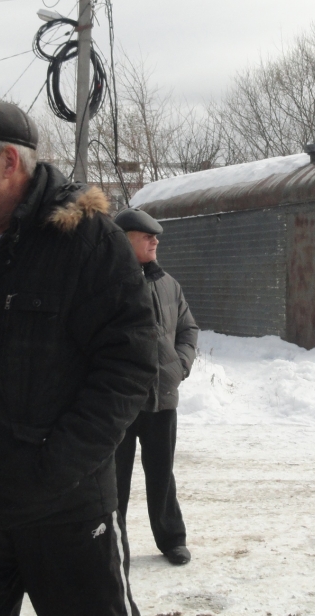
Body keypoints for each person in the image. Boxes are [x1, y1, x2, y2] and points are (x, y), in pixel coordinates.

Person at [0, 103, 158, 616]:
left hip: (67, 512)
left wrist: (59, 465)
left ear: (8, 162)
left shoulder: (88, 240)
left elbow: (130, 365)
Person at [113, 208, 198, 569]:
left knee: (161, 474)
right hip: (115, 401)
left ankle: (172, 540)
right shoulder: (104, 282)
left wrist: (180, 365)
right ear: (124, 238)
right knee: (111, 480)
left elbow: (188, 329)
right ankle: (113, 546)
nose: (155, 240)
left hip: (161, 397)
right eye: (147, 236)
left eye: (156, 236)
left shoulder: (168, 284)